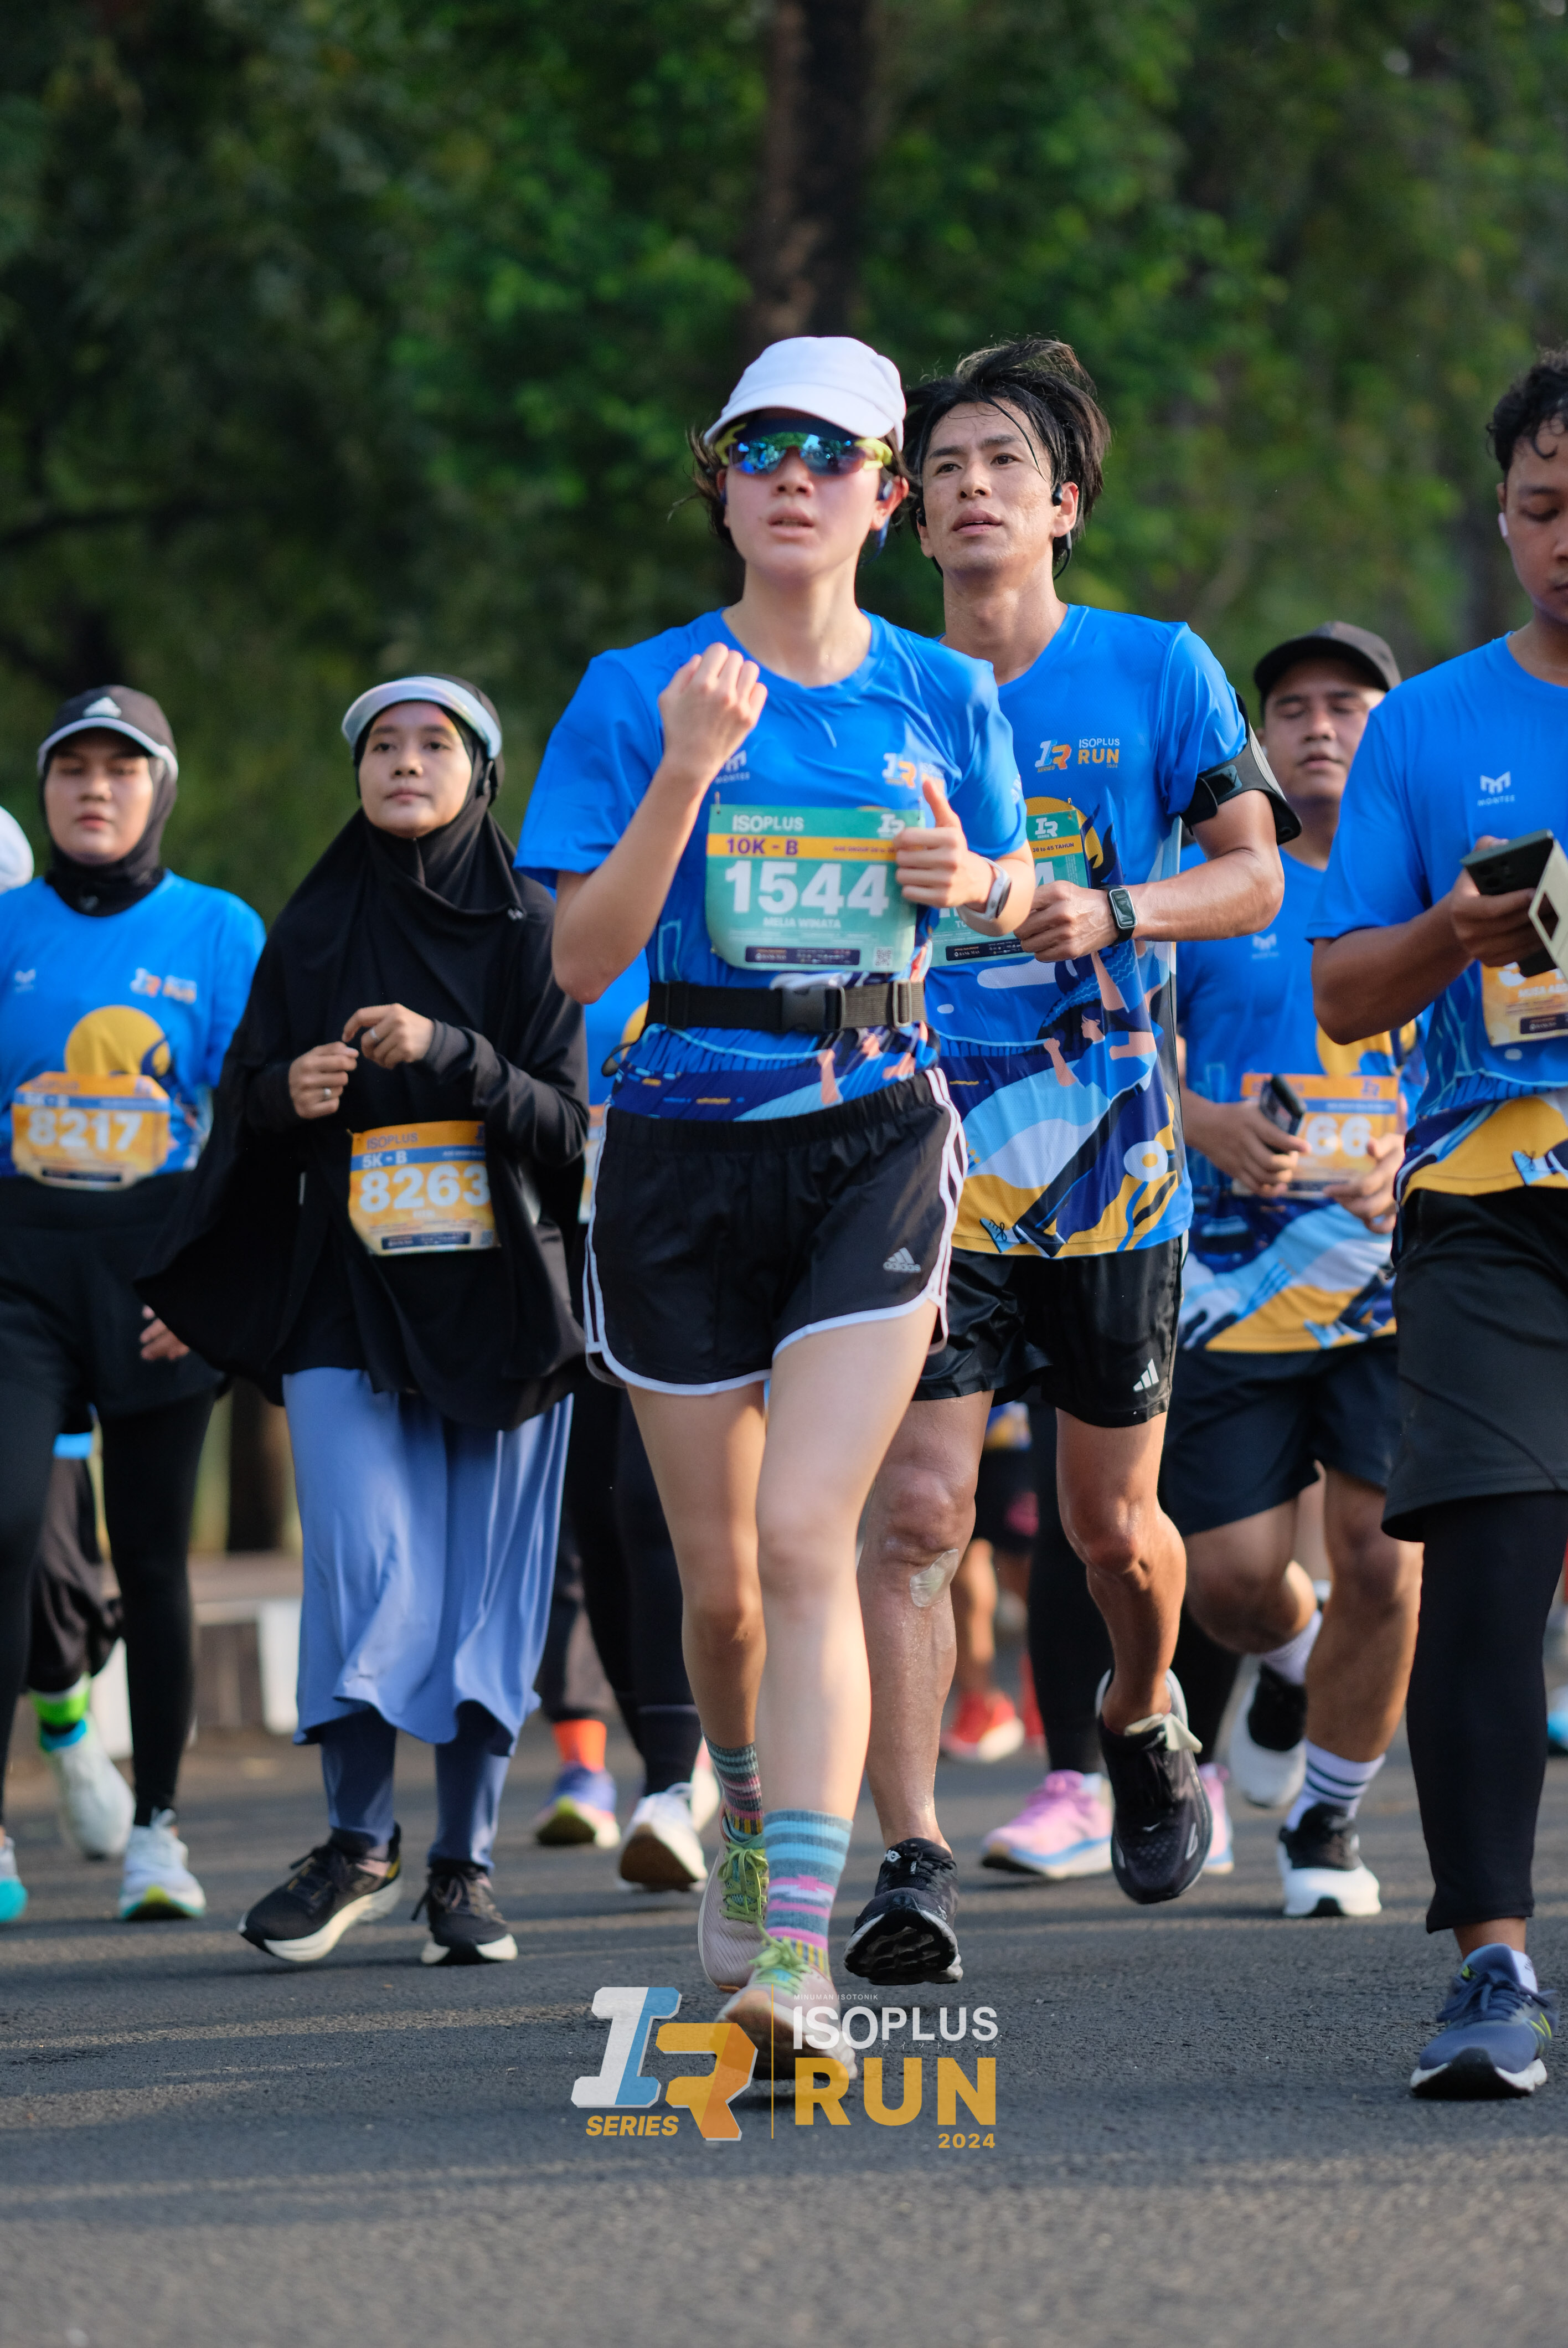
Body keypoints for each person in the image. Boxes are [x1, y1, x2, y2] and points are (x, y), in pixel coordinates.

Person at [519, 334, 1032, 2063]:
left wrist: (972, 879)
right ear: (723, 487)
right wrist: (684, 767)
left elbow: (1003, 889)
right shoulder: (633, 690)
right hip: (675, 1147)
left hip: (871, 1135)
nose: (792, 477)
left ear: (886, 499)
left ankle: (795, 1956)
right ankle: (740, 1805)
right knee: (724, 1588)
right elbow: (576, 962)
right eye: (759, 450)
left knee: (814, 1534)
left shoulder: (941, 692)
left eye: (830, 454)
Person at [849, 338, 1292, 1987]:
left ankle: (1142, 1710)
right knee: (919, 1511)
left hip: (1111, 1170)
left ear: (1064, 506)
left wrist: (1114, 908)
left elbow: (1251, 878)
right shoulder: (868, 683)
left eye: (1004, 466)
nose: (970, 488)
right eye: (942, 468)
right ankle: (910, 1858)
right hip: (918, 1161)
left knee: (1112, 1532)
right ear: (909, 514)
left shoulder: (1155, 669)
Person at [140, 675, 586, 1966]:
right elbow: (243, 1103)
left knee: (482, 1590)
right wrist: (284, 1087)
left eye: (433, 743)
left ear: (480, 773)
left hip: (503, 1305)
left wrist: (454, 1053)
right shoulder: (313, 923)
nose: (403, 762)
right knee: (361, 1558)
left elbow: (571, 1131)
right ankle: (357, 1841)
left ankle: (464, 1866)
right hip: (345, 1297)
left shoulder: (536, 930)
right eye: (382, 745)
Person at [1313, 351, 1568, 2097]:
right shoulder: (1426, 728)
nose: (1567, 539)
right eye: (1543, 509)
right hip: (1487, 1204)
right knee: (1486, 1568)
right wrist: (1454, 937)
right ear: (1501, 519)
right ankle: (1490, 1962)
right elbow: (1343, 992)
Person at [1171, 623, 1424, 1919]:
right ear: (1260, 740)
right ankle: (1292, 1659)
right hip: (1225, 1286)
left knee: (1382, 1556)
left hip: (1401, 1279)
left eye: (1347, 703)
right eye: (1291, 708)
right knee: (1225, 1582)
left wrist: (1414, 1153)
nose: (1318, 725)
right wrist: (1197, 1119)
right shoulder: (1214, 883)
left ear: (1391, 726)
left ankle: (1325, 1818)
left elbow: (1515, 1048)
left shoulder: (1441, 884)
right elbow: (1108, 1042)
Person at [0, 689, 264, 1927]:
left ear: (160, 789)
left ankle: (158, 1830)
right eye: (73, 770)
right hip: (19, 1275)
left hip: (162, 1279)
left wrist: (213, 1287)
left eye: (121, 769)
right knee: (7, 1527)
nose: (94, 790)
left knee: (154, 1554)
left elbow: (251, 1130)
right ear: (44, 790)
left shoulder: (219, 928)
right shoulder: (6, 927)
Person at [938, 1402, 1033, 1763]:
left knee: (1025, 1564)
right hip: (948, 1420)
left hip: (1017, 1427)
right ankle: (981, 1705)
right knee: (956, 1559)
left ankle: (1048, 1695)